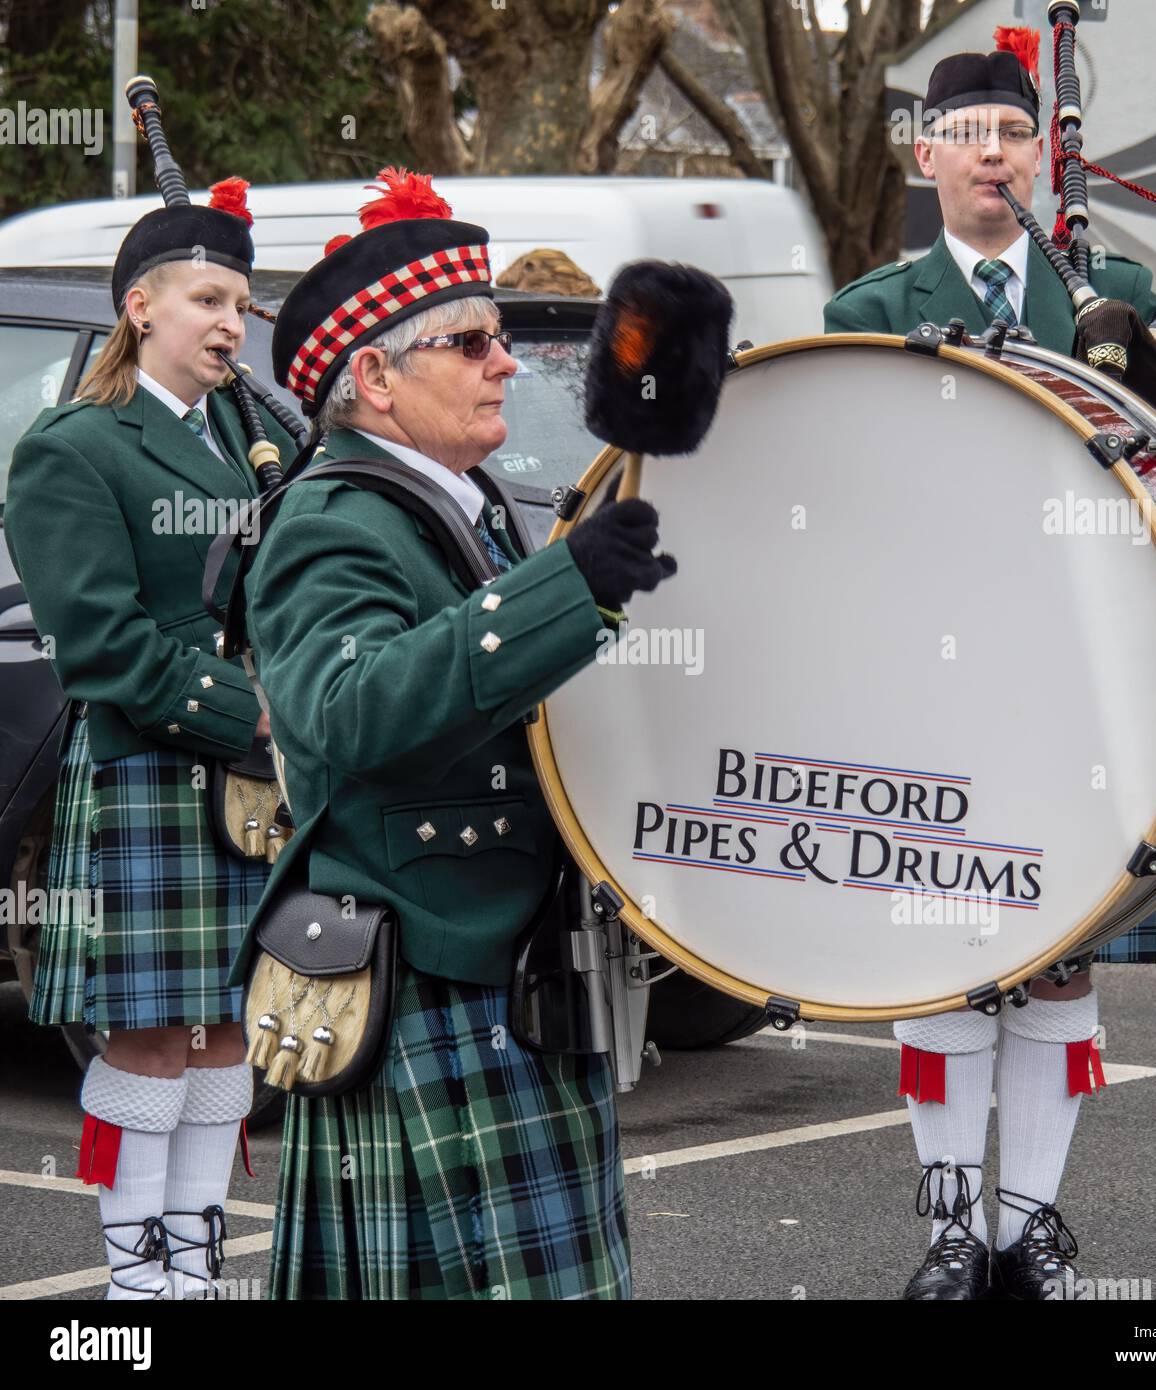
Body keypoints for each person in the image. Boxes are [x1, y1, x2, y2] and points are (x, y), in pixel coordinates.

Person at [824, 31, 1156, 1300]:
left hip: (1094, 670)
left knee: (1061, 947)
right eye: (966, 135)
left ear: (1039, 154)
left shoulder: (1106, 296)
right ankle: (950, 1235)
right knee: (945, 940)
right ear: (927, 157)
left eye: (1012, 135)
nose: (991, 156)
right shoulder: (869, 312)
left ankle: (1029, 1230)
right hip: (934, 673)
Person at [226, 168, 672, 1299]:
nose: (506, 361)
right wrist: (560, 590)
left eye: (499, 337)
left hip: (511, 969)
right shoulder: (333, 521)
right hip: (436, 964)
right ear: (373, 377)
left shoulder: (463, 504)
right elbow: (346, 714)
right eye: (470, 342)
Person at [4, 178, 299, 1298]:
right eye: (209, 299)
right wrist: (254, 714)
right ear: (141, 306)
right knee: (151, 1041)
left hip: (247, 786)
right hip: (153, 766)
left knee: (226, 1032)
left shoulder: (245, 437)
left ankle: (197, 1264)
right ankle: (135, 1284)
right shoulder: (75, 446)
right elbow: (104, 646)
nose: (233, 322)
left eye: (242, 300)